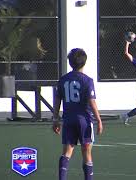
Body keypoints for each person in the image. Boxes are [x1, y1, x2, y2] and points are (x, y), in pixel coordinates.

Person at [52, 48, 103, 180]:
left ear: (70, 62)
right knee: (86, 152)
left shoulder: (63, 80)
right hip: (84, 121)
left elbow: (57, 100)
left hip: (68, 120)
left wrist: (55, 119)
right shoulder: (87, 80)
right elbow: (92, 102)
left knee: (67, 152)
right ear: (84, 62)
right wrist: (99, 120)